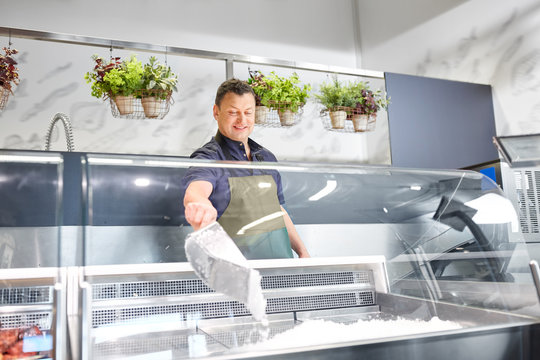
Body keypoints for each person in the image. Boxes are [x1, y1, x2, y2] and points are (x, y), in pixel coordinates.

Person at [182, 78, 310, 259]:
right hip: (237, 273)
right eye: (233, 112)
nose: (242, 120)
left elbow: (278, 210)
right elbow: (195, 192)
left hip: (281, 270)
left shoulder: (266, 157)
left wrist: (302, 252)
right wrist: (198, 204)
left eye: (248, 112)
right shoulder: (208, 157)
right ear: (216, 112)